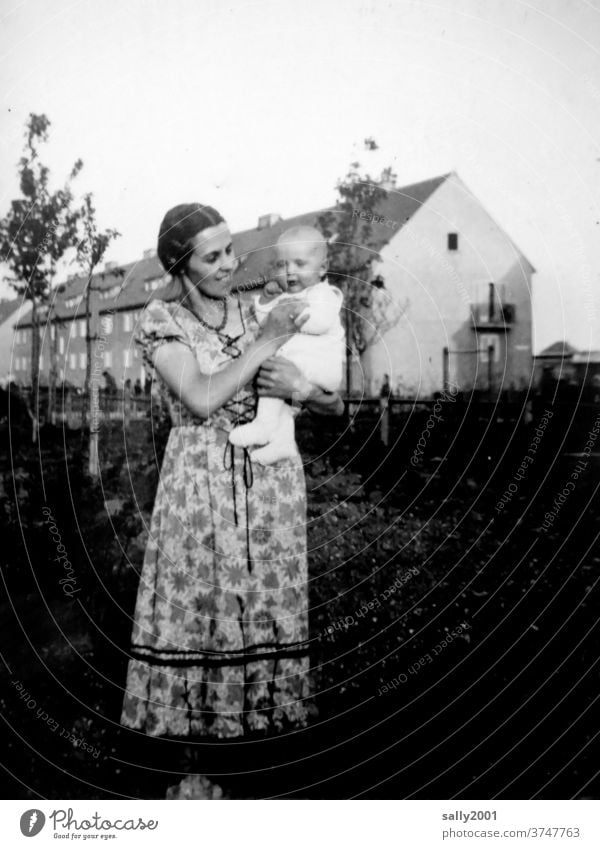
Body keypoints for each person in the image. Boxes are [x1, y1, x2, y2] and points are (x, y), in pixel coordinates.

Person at [120, 203, 344, 797]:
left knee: (260, 613)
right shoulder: (160, 319)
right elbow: (199, 397)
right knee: (202, 614)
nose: (228, 263)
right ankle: (193, 770)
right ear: (178, 263)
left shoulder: (257, 304)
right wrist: (267, 341)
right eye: (212, 255)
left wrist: (304, 389)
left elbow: (333, 398)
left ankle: (254, 762)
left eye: (229, 250)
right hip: (201, 485)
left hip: (269, 481)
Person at [229, 226, 344, 464]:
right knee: (283, 399)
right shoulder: (287, 297)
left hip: (320, 365)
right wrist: (266, 300)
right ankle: (283, 444)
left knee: (274, 371)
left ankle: (263, 426)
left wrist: (296, 312)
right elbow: (266, 323)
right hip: (303, 365)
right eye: (282, 265)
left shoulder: (324, 293)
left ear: (322, 268)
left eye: (299, 264)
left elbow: (320, 323)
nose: (290, 272)